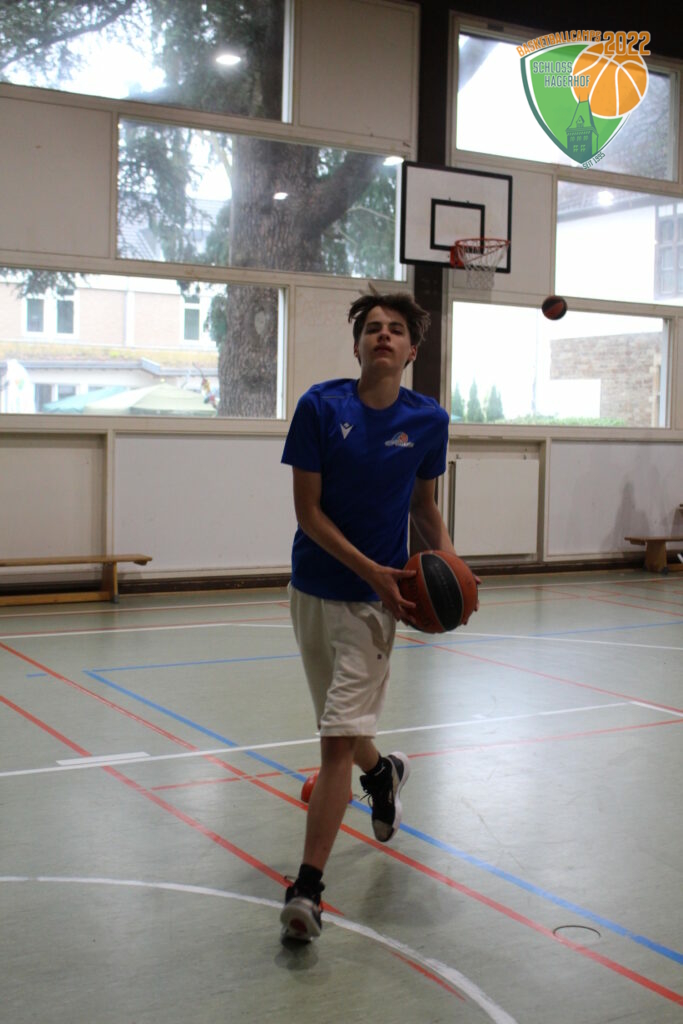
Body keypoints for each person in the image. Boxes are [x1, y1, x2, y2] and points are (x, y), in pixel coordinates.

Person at [280, 290, 460, 942]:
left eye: (395, 330)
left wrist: (450, 568)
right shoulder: (320, 407)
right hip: (313, 588)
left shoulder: (429, 421)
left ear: (411, 351)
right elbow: (308, 513)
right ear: (357, 346)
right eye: (373, 328)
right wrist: (370, 568)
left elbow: (423, 506)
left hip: (375, 604)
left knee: (333, 743)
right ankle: (382, 774)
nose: (383, 335)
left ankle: (307, 890)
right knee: (343, 728)